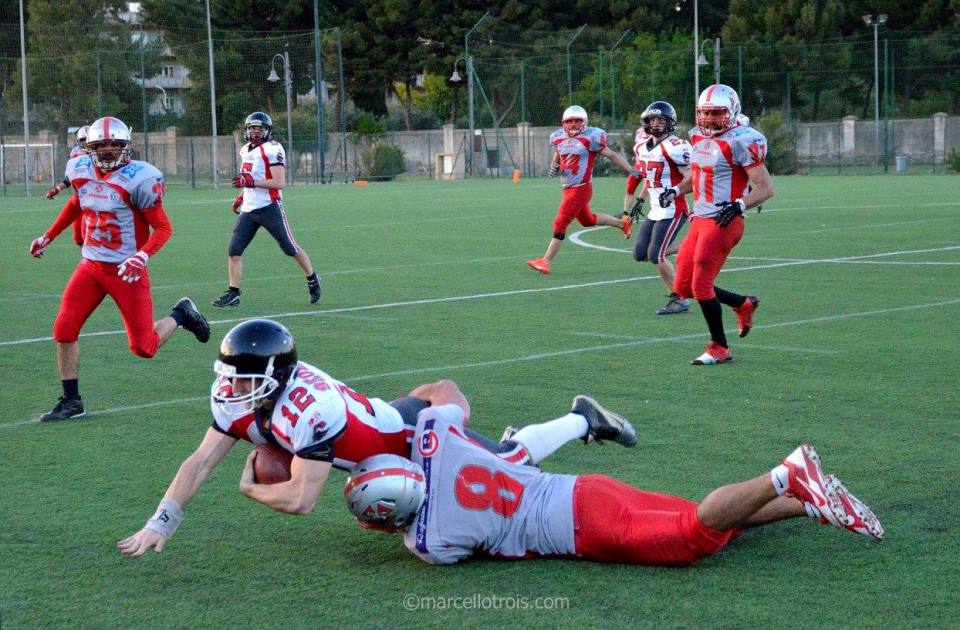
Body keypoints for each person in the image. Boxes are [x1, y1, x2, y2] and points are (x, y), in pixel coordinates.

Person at [117, 319, 634, 556]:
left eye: (245, 379)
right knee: (478, 444)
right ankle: (496, 432)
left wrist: (249, 488)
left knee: (511, 461)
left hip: (408, 439)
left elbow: (301, 499)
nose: (232, 388)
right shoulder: (242, 395)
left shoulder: (308, 411)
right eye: (229, 375)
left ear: (275, 375)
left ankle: (583, 418)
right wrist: (163, 521)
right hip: (380, 432)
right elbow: (199, 461)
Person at [346, 402, 884, 567]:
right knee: (715, 522)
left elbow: (430, 540)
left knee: (691, 538)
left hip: (580, 528)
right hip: (583, 488)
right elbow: (443, 410)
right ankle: (807, 501)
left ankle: (785, 473)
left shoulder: (429, 541)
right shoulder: (438, 437)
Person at [28, 116, 211, 422]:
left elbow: (163, 227)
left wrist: (142, 256)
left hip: (126, 270)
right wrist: (49, 235)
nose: (110, 150)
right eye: (102, 144)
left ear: (127, 146)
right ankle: (71, 401)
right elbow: (77, 203)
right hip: (91, 266)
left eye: (116, 144)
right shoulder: (79, 168)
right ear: (90, 147)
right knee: (64, 329)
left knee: (144, 348)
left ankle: (182, 313)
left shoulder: (140, 177)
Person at [658, 84, 774, 365]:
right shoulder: (697, 136)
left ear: (732, 111)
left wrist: (739, 204)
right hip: (700, 218)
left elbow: (765, 187)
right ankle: (743, 303)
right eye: (705, 113)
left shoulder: (741, 140)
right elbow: (695, 178)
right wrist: (675, 190)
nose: (710, 119)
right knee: (683, 286)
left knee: (701, 286)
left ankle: (719, 347)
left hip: (724, 220)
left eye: (716, 113)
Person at [212, 112, 321, 308]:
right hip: (249, 210)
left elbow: (279, 182)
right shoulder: (245, 150)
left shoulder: (273, 149)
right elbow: (249, 179)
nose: (255, 131)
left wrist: (251, 183)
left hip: (270, 207)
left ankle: (312, 278)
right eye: (252, 128)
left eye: (259, 128)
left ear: (267, 131)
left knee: (290, 248)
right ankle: (234, 293)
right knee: (234, 251)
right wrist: (241, 197)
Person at [527, 105, 641, 275]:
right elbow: (559, 152)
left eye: (577, 120)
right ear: (564, 123)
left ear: (584, 122)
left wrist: (629, 168)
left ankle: (546, 261)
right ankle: (622, 223)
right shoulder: (559, 137)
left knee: (560, 222)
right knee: (587, 220)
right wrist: (554, 165)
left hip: (581, 189)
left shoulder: (590, 138)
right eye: (570, 121)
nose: (573, 124)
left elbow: (612, 155)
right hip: (567, 188)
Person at [622, 101, 692, 315]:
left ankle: (679, 298)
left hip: (674, 208)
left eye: (661, 120)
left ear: (670, 123)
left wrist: (675, 191)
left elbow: (692, 178)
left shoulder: (676, 146)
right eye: (653, 119)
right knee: (640, 253)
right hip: (655, 208)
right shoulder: (641, 147)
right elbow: (650, 179)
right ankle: (690, 246)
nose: (656, 123)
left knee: (656, 255)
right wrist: (641, 200)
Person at [46, 125, 91, 246]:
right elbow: (69, 179)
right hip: (78, 198)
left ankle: (90, 261)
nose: (87, 144)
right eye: (84, 141)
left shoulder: (100, 157)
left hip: (94, 200)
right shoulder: (75, 153)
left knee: (87, 234)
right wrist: (56, 189)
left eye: (89, 141)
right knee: (78, 238)